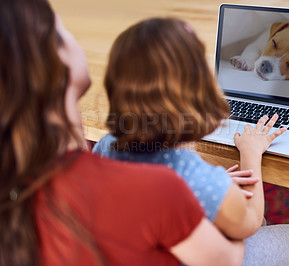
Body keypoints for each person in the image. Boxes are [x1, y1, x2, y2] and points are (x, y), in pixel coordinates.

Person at [0, 1, 245, 265]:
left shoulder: (19, 190)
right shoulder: (161, 188)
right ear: (57, 57)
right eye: (61, 28)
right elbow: (228, 259)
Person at [93, 17, 289, 265]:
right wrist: (251, 152)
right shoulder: (193, 175)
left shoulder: (107, 145)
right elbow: (250, 222)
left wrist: (215, 186)